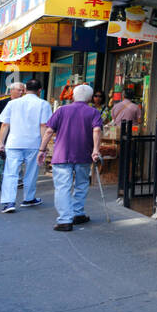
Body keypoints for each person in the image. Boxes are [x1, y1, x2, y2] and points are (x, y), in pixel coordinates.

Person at [39, 83, 102, 231]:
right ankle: (78, 213)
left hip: (62, 154)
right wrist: (95, 150)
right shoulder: (93, 112)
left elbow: (49, 131)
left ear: (73, 96)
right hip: (83, 154)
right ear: (90, 98)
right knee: (81, 185)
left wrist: (42, 149)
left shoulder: (61, 111)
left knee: (62, 187)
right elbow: (97, 130)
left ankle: (65, 220)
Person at [0, 80, 52, 214]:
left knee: (11, 173)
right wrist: (44, 146)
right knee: (31, 172)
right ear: (40, 90)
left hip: (14, 142)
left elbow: (5, 124)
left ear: (25, 89)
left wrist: (1, 143)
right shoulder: (43, 104)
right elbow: (43, 126)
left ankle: (9, 202)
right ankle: (28, 198)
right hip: (34, 143)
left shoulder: (12, 103)